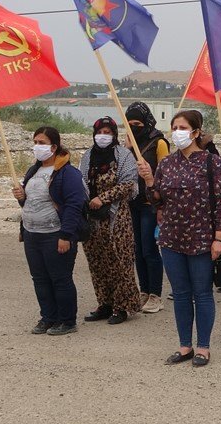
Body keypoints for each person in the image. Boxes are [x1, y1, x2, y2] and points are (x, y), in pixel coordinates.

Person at [139, 110, 221, 368]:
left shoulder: (211, 162)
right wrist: (149, 180)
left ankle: (203, 346)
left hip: (202, 238)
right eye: (174, 126)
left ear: (196, 132)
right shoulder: (167, 163)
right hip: (171, 238)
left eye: (182, 127)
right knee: (180, 294)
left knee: (201, 293)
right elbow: (158, 200)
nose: (177, 131)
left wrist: (219, 238)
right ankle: (184, 345)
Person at [12, 126, 87, 336]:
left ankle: (67, 320)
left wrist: (66, 235)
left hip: (55, 234)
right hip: (31, 233)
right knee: (40, 278)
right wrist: (21, 197)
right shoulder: (33, 170)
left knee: (60, 278)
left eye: (42, 143)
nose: (37, 147)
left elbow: (74, 205)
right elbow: (31, 203)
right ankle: (48, 317)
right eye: (35, 142)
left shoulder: (67, 173)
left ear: (54, 147)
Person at [79, 117, 141, 325]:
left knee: (119, 261)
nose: (103, 136)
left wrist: (103, 198)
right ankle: (104, 303)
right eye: (100, 131)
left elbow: (129, 184)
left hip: (117, 217)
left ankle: (122, 306)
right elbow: (82, 182)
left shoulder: (123, 155)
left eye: (107, 132)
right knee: (97, 261)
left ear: (114, 133)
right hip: (93, 218)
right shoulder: (88, 156)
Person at [125, 102, 169, 314]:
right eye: (130, 123)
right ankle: (143, 290)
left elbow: (165, 174)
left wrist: (149, 174)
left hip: (150, 205)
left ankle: (155, 294)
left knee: (150, 249)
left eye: (138, 123)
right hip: (131, 203)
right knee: (137, 250)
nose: (134, 127)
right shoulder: (130, 144)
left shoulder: (158, 142)